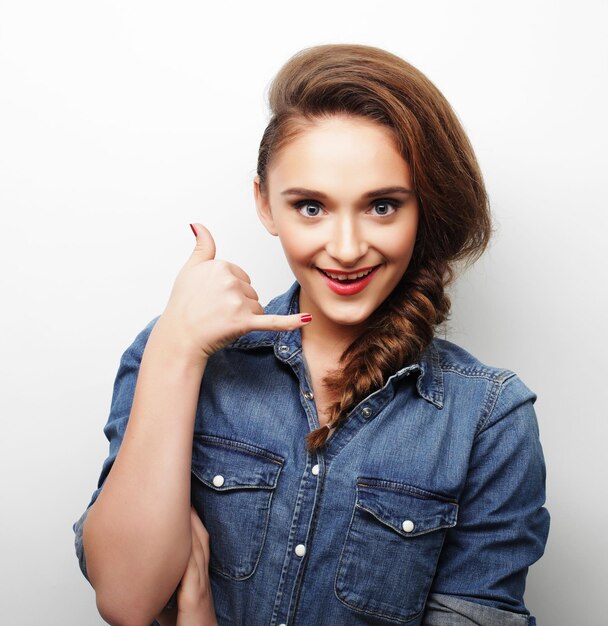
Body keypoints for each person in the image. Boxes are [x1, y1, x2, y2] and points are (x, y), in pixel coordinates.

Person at [73, 43, 550, 626]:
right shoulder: (172, 353)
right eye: (310, 207)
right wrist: (177, 348)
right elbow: (125, 598)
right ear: (265, 204)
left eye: (381, 206)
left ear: (424, 208)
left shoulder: (488, 420)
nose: (347, 248)